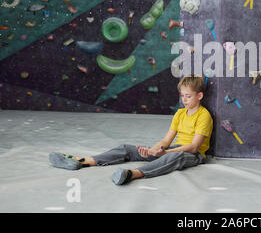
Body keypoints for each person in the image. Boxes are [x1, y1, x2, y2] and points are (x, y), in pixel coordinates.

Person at [48, 75, 213, 185]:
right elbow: (166, 141)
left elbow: (193, 147)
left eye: (188, 96)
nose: (184, 100)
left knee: (176, 156)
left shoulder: (204, 116)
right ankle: (82, 161)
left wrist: (166, 154)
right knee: (127, 148)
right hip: (175, 148)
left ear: (199, 96)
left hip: (195, 155)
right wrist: (154, 150)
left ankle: (133, 174)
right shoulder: (180, 113)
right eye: (182, 96)